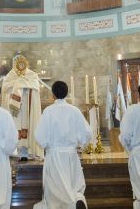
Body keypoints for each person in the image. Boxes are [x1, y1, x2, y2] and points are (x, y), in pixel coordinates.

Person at [33, 80, 92, 209]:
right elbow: (87, 133)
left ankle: (71, 203)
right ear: (67, 93)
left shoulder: (48, 111)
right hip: (71, 155)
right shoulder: (74, 110)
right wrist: (80, 146)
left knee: (55, 190)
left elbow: (39, 136)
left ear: (53, 94)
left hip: (54, 156)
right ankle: (76, 201)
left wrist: (46, 145)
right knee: (73, 185)